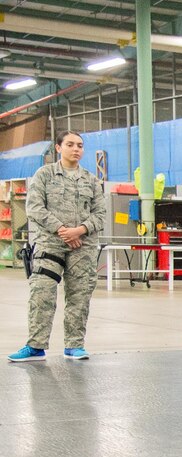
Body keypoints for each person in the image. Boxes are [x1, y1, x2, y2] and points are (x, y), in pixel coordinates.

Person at [8, 130, 106, 363]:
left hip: (82, 246)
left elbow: (100, 214)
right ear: (58, 147)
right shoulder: (44, 175)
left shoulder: (91, 180)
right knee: (42, 292)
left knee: (79, 295)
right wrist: (63, 230)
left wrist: (79, 230)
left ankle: (74, 346)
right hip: (50, 244)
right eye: (70, 144)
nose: (76, 149)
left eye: (80, 145)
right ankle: (35, 346)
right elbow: (34, 208)